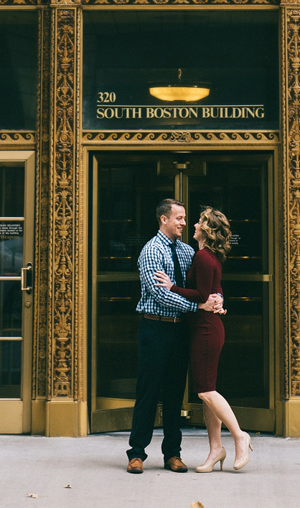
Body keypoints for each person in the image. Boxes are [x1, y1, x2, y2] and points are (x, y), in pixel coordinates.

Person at [125, 198, 223, 475]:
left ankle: (173, 454)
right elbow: (160, 294)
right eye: (178, 218)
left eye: (184, 218)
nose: (183, 222)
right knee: (148, 391)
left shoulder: (187, 250)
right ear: (163, 219)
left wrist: (216, 299)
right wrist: (198, 305)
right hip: (155, 328)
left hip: (181, 330)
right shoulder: (151, 251)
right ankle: (136, 454)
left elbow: (203, 285)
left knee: (173, 394)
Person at [154, 205, 252, 472]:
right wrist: (217, 298)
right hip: (203, 327)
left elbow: (200, 294)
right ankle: (215, 450)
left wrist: (171, 286)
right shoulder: (206, 256)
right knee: (207, 391)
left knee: (206, 391)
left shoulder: (203, 257)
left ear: (207, 230)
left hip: (206, 329)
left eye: (198, 221)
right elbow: (212, 290)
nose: (193, 225)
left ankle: (239, 436)